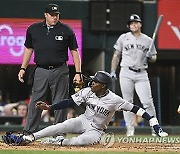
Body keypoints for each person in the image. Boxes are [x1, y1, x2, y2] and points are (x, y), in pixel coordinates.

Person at [21, 71, 168, 146]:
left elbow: (136, 109)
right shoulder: (87, 91)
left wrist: (153, 121)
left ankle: (58, 142)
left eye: (95, 82)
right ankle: (32, 137)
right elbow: (68, 102)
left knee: (79, 142)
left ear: (103, 86)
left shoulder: (115, 99)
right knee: (62, 125)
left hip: (97, 130)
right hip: (83, 120)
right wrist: (50, 106)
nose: (91, 83)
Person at [18, 4, 82, 133]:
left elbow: (74, 51)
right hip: (41, 69)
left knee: (60, 101)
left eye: (56, 15)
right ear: (45, 15)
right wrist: (23, 68)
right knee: (36, 100)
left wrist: (78, 72)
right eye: (52, 15)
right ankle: (29, 131)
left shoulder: (66, 30)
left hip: (60, 69)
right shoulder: (33, 29)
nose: (54, 17)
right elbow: (29, 49)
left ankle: (59, 133)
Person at [110, 14, 159, 136]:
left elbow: (154, 57)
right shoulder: (123, 38)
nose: (134, 25)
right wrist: (112, 70)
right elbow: (116, 55)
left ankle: (155, 127)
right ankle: (130, 128)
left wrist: (151, 58)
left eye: (136, 22)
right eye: (131, 23)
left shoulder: (148, 40)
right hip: (126, 71)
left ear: (140, 24)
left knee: (147, 102)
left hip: (141, 73)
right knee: (127, 102)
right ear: (129, 26)